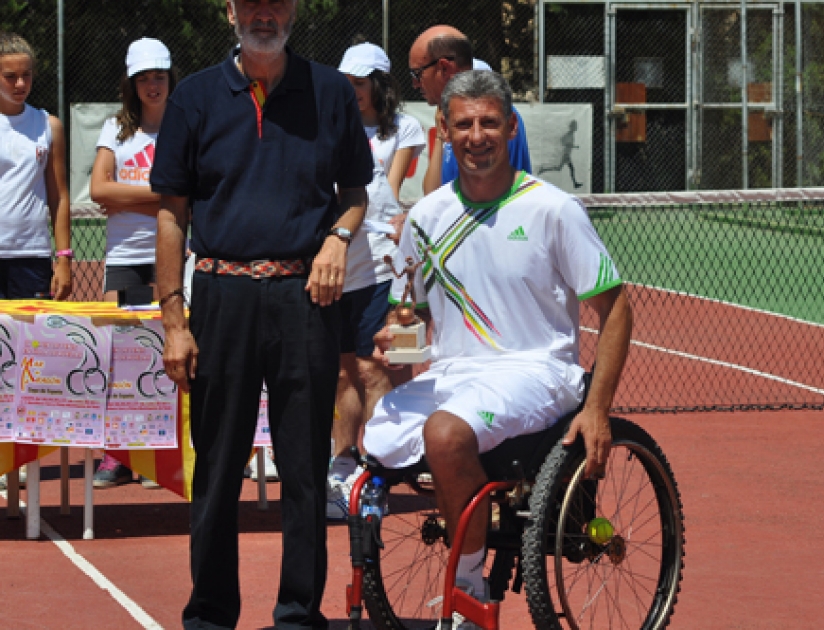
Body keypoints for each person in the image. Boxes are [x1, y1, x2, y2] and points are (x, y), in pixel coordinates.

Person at [364, 70, 631, 615]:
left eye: (489, 122)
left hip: (537, 371)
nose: (477, 136)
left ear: (511, 128)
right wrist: (397, 341)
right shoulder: (426, 217)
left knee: (444, 433)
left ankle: (468, 591)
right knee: (376, 439)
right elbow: (411, 323)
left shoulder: (553, 209)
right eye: (464, 124)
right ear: (444, 128)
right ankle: (472, 515)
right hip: (456, 373)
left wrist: (598, 407)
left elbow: (617, 309)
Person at [150, 0, 373, 627]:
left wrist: (338, 238)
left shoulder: (330, 91)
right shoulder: (193, 98)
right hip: (220, 297)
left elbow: (354, 193)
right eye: (252, 4)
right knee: (218, 469)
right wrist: (173, 318)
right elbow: (172, 212)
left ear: (293, 10)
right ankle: (212, 615)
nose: (265, 15)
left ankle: (299, 614)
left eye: (276, 3)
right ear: (230, 12)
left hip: (306, 300)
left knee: (304, 470)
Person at [327, 42, 425, 519]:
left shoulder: (403, 127)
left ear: (380, 86)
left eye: (360, 83)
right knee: (347, 369)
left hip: (392, 264)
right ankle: (342, 466)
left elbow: (383, 186)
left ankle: (385, 468)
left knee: (392, 366)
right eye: (346, 81)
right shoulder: (330, 124)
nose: (352, 91)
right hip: (343, 260)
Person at [89, 37, 176, 489]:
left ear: (169, 78)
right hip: (124, 257)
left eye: (159, 75)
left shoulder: (186, 126)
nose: (153, 85)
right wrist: (161, 197)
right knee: (118, 356)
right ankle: (116, 454)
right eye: (144, 77)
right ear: (132, 82)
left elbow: (194, 198)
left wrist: (131, 200)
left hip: (172, 257)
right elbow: (99, 191)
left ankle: (156, 454)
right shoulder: (115, 129)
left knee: (168, 353)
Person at [409, 25, 531, 195]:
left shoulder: (501, 118)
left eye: (417, 73)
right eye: (464, 124)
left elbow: (491, 197)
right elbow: (433, 193)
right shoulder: (444, 116)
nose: (415, 84)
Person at [0, 32, 71, 302]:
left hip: (32, 256)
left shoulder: (47, 125)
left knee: (30, 344)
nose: (20, 83)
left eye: (26, 75)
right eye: (10, 76)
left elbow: (59, 196)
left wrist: (63, 258)